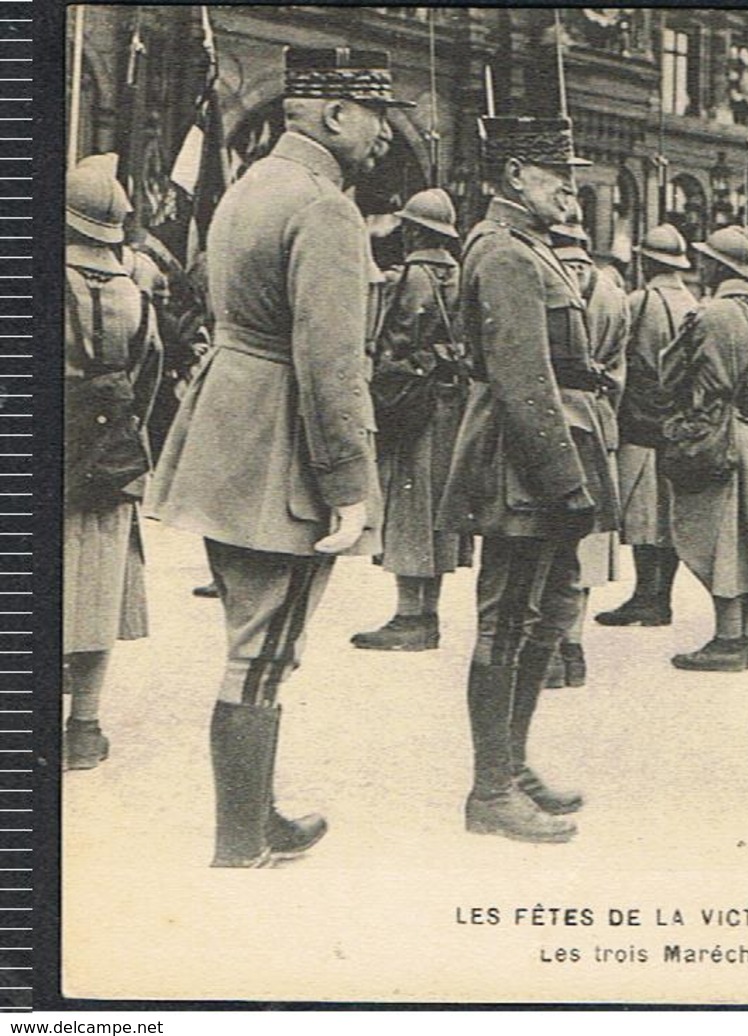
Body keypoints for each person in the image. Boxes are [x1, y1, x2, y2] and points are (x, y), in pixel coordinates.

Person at [148, 48, 411, 866]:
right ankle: (238, 843)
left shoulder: (249, 186)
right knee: (262, 652)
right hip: (281, 448)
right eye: (374, 120)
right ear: (336, 115)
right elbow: (330, 361)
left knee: (249, 635)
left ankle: (256, 820)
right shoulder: (324, 207)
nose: (381, 139)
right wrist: (349, 485)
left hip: (226, 432)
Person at [437, 114, 608, 845]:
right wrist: (563, 477)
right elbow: (521, 376)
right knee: (506, 618)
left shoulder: (530, 249)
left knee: (546, 611)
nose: (568, 195)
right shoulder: (503, 252)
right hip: (520, 461)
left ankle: (512, 764)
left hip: (542, 453)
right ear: (514, 175)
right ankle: (489, 789)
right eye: (555, 179)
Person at [63, 154, 160, 771]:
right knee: (98, 590)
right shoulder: (137, 294)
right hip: (113, 464)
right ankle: (84, 729)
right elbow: (148, 384)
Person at [665, 225, 748, 671]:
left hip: (719, 433)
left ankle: (726, 638)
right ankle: (744, 636)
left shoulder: (711, 315)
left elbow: (674, 376)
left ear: (718, 266)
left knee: (718, 534)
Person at [352, 187, 471, 652]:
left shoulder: (414, 276)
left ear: (416, 229)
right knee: (437, 508)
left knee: (408, 505)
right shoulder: (458, 273)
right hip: (450, 403)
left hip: (413, 402)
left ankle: (410, 615)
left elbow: (399, 339)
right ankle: (430, 611)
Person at [596, 224, 696, 628]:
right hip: (679, 422)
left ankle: (644, 595)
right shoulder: (694, 303)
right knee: (669, 513)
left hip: (639, 419)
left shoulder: (639, 301)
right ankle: (662, 597)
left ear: (647, 260)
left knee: (642, 511)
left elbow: (619, 356)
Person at [548, 222, 629, 687]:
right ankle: (574, 646)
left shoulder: (543, 277)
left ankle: (551, 650)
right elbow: (619, 370)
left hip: (556, 421)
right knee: (589, 540)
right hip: (598, 422)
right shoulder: (614, 291)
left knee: (549, 537)